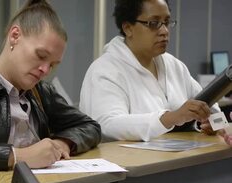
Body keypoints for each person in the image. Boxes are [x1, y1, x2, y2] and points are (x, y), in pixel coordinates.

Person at [0, 0, 101, 171]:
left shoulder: (42, 92)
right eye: (40, 55)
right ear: (14, 36)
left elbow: (90, 127)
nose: (45, 70)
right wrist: (19, 156)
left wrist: (63, 143)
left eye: (53, 64)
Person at [79, 0, 219, 142]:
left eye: (166, 22)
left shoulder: (174, 65)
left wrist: (214, 123)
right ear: (128, 28)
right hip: (127, 162)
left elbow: (212, 108)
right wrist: (170, 118)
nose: (164, 31)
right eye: (154, 23)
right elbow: (107, 125)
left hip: (176, 161)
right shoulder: (105, 70)